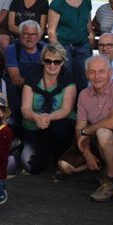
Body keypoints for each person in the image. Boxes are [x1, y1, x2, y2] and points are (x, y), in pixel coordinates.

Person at [56, 55, 113, 202]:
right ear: (86, 74)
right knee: (63, 166)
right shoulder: (84, 94)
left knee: (103, 133)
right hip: (94, 141)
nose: (97, 76)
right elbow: (80, 128)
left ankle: (110, 180)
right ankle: (99, 164)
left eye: (101, 71)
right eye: (92, 72)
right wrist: (87, 153)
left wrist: (88, 131)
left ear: (110, 73)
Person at [19, 43, 76, 174]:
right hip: (33, 124)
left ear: (63, 62)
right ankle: (40, 152)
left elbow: (66, 110)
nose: (52, 65)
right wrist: (36, 117)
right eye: (48, 61)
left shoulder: (68, 78)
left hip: (57, 124)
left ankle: (58, 156)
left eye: (57, 61)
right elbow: (25, 109)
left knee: (60, 128)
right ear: (42, 61)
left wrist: (47, 117)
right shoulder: (33, 76)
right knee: (31, 166)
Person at [47, 0, 95, 91]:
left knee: (84, 79)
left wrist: (91, 35)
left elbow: (88, 22)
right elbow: (51, 30)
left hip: (82, 46)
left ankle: (82, 107)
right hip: (64, 47)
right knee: (65, 79)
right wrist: (57, 50)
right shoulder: (58, 2)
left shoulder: (86, 0)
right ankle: (66, 108)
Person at [5, 20, 46, 89]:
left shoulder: (45, 48)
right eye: (26, 34)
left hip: (42, 91)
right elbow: (15, 79)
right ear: (20, 35)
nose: (30, 37)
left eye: (33, 34)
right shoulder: (12, 50)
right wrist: (36, 86)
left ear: (38, 36)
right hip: (18, 90)